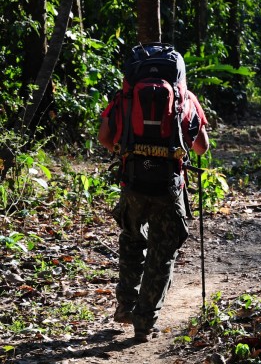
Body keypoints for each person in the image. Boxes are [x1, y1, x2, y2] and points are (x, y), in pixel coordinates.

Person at [98, 57, 209, 343]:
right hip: (168, 188)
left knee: (132, 239)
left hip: (133, 182)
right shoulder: (186, 99)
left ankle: (125, 305)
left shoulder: (124, 97)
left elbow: (104, 137)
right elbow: (201, 148)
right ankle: (144, 323)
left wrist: (125, 151)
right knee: (162, 253)